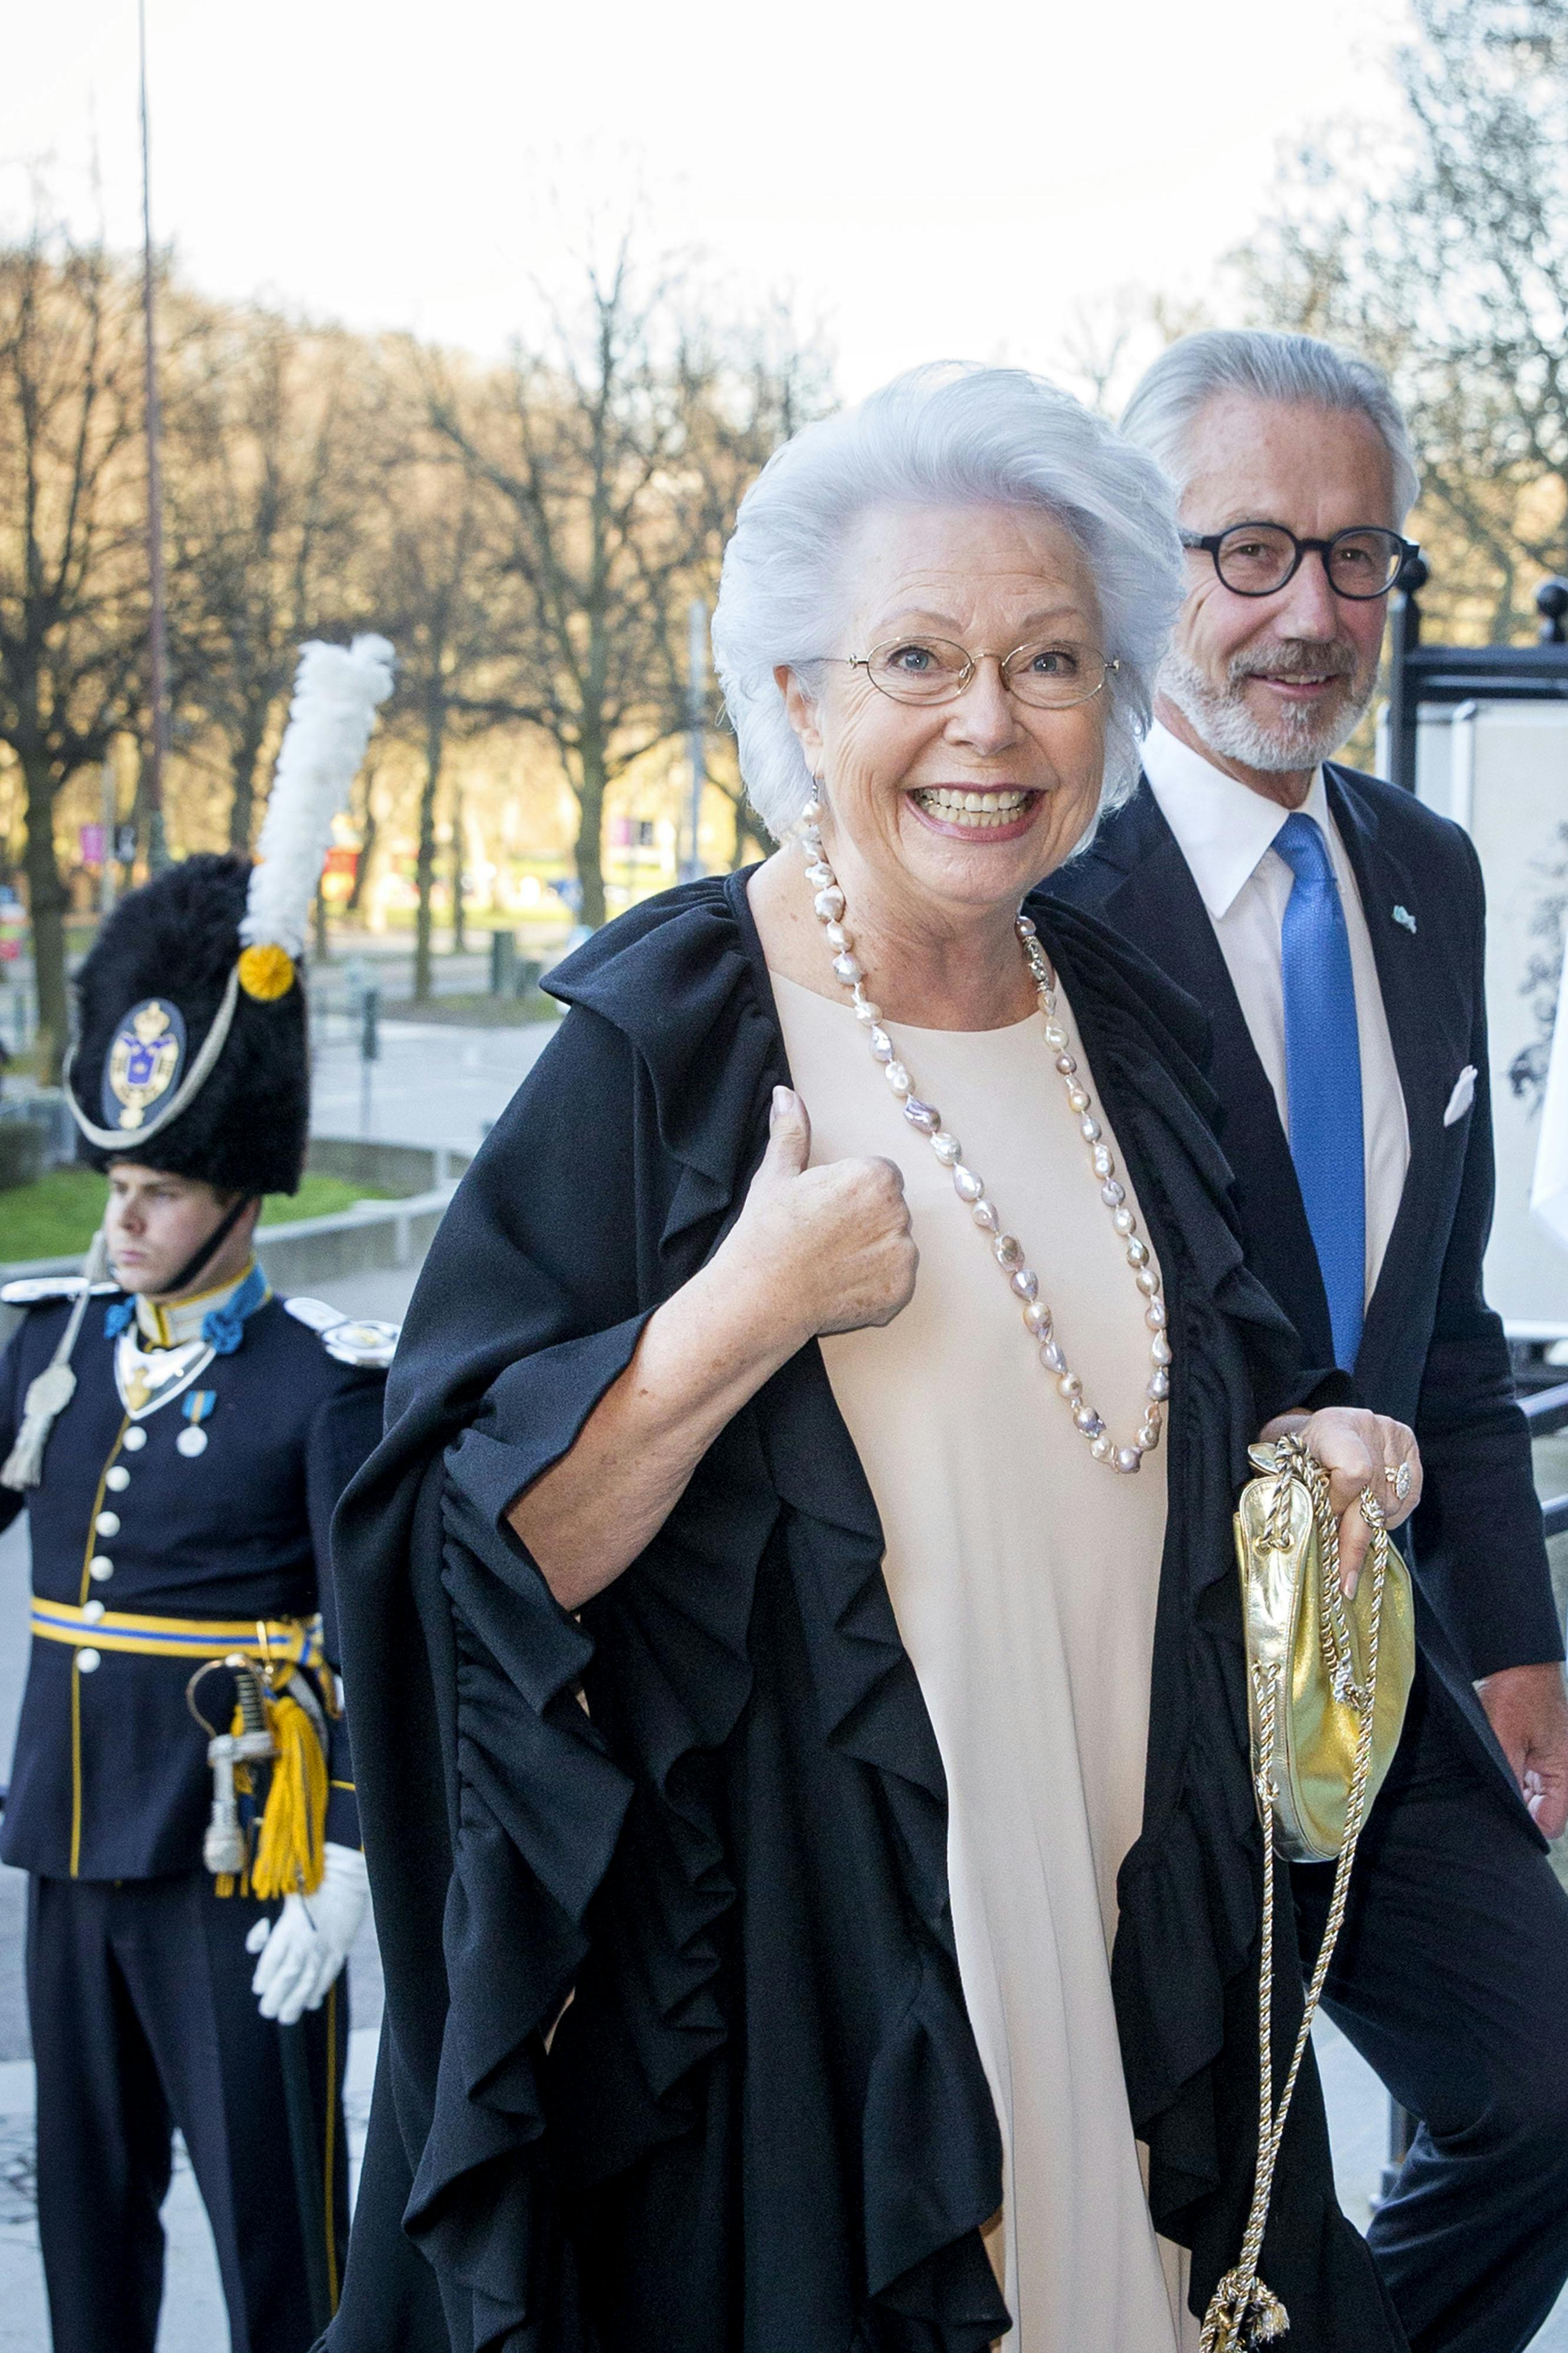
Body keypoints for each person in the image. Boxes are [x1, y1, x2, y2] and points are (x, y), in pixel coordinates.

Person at [325, 365, 1423, 2353]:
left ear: (1114, 698)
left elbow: (1158, 1433)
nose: (987, 726)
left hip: (1124, 1933)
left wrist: (1312, 1463)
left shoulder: (1131, 1028)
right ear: (802, 701)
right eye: (916, 657)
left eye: (1053, 661)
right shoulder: (665, 1043)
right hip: (823, 2000)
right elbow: (457, 1575)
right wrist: (739, 1312)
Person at [1046, 327, 1568, 2353]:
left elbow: (1439, 1322)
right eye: (1249, 549)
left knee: (1536, 2091)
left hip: (1375, 1674)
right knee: (1227, 2204)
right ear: (1143, 559)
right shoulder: (1045, 894)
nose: (1313, 613)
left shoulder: (1425, 878)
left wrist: (1513, 1640)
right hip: (1131, 1694)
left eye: (1361, 561)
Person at [0, 638, 397, 2353]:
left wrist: (355, 1867)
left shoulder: (324, 1379)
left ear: (240, 1195)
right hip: (69, 1848)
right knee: (88, 2235)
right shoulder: (51, 1349)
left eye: (161, 1192)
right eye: (120, 1185)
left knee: (273, 2236)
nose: (126, 1220)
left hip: (249, 1861)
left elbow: (382, 1634)